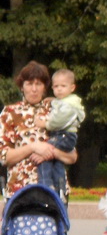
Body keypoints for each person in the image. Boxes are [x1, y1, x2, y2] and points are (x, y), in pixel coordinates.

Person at [0, 60, 77, 198]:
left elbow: (72, 156)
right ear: (22, 87)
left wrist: (50, 151)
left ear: (45, 87)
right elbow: (4, 157)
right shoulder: (10, 112)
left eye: (38, 84)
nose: (34, 89)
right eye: (29, 84)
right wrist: (33, 147)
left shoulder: (56, 110)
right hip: (20, 191)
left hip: (54, 192)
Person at [35, 68, 85, 192]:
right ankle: (59, 186)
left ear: (72, 88)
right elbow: (62, 105)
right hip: (66, 136)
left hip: (64, 135)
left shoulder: (68, 105)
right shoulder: (67, 102)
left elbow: (59, 119)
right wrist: (54, 100)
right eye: (56, 86)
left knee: (43, 153)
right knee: (57, 162)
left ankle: (46, 184)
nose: (59, 89)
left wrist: (45, 124)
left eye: (63, 86)